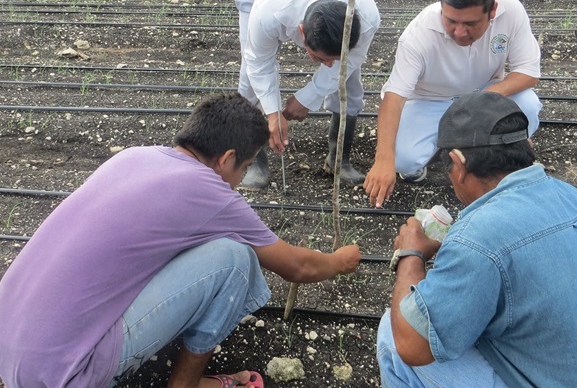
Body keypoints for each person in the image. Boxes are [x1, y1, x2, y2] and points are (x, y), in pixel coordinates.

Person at [0, 93, 361, 388]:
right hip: (61, 376)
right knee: (235, 258)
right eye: (246, 166)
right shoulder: (209, 191)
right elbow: (297, 266)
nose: (240, 179)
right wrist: (341, 261)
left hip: (9, 345)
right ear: (227, 159)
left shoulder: (134, 157)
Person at [376, 91, 577, 387]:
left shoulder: (478, 239)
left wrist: (410, 255)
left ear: (459, 162)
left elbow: (412, 345)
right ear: (526, 146)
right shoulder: (572, 197)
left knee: (393, 334)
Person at [364, 0, 543, 208]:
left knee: (527, 104)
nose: (459, 32)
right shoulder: (419, 35)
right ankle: (444, 154)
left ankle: (504, 161)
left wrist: (482, 100)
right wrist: (383, 160)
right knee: (403, 160)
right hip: (430, 99)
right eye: (451, 21)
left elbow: (528, 71)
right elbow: (395, 96)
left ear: (493, 11)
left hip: (483, 89)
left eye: (470, 24)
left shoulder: (511, 11)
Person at [233, 0, 380, 189]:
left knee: (349, 83)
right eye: (320, 58)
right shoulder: (267, 13)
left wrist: (308, 97)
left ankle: (338, 159)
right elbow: (258, 63)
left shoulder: (367, 15)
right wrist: (273, 113)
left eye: (334, 59)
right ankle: (253, 161)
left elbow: (349, 64)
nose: (328, 65)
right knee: (248, 81)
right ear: (301, 31)